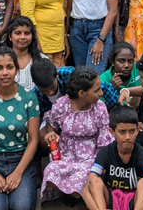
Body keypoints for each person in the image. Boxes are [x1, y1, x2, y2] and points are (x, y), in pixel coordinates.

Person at [0, 47, 42, 210]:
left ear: (16, 70)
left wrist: (18, 172)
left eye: (9, 67)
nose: (5, 73)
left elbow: (33, 139)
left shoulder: (29, 97)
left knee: (22, 207)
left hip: (21, 160)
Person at [40, 67, 116, 203]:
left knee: (88, 176)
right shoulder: (62, 105)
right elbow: (51, 122)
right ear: (82, 93)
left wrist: (101, 163)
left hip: (91, 155)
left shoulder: (100, 108)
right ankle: (76, 194)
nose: (101, 93)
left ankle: (76, 194)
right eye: (96, 90)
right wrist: (51, 133)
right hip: (66, 154)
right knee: (51, 172)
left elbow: (105, 141)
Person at [85, 106, 143, 210]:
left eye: (132, 131)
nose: (128, 137)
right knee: (95, 181)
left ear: (138, 130)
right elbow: (87, 188)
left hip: (136, 202)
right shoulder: (105, 152)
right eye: (122, 132)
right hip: (110, 200)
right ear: (112, 132)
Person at [31, 60, 127, 116]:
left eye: (52, 87)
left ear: (57, 75)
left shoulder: (69, 74)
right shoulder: (35, 94)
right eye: (44, 91)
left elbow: (102, 87)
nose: (50, 92)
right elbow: (40, 119)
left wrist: (117, 109)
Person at [0, 15, 48, 91]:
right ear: (10, 37)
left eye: (27, 33)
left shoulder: (43, 60)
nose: (22, 37)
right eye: (18, 33)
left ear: (32, 36)